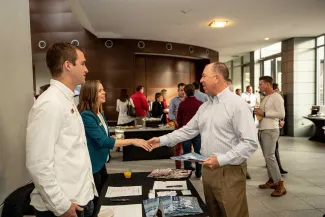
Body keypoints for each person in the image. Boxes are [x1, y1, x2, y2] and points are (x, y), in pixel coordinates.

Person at [148, 62, 258, 217]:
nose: (201, 80)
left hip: (229, 171)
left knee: (233, 212)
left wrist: (221, 160)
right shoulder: (205, 106)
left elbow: (250, 143)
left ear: (217, 77)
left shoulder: (237, 104)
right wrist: (161, 140)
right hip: (208, 169)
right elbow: (188, 130)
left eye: (204, 76)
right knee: (213, 212)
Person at [26, 43, 96, 217]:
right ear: (68, 65)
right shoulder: (50, 104)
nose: (86, 69)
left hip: (79, 199)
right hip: (64, 207)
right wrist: (61, 205)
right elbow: (38, 163)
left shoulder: (66, 100)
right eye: (82, 63)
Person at [78, 80, 150, 196]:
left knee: (103, 192)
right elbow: (103, 141)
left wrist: (110, 136)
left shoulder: (99, 113)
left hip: (102, 162)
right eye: (100, 90)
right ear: (90, 94)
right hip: (93, 165)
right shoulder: (86, 115)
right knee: (98, 199)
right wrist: (133, 141)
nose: (104, 92)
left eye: (103, 89)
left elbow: (103, 136)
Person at [254, 76, 287, 197]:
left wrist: (264, 113)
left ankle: (280, 184)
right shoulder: (265, 97)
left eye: (261, 84)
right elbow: (263, 113)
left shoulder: (276, 97)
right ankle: (272, 180)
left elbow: (281, 113)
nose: (259, 87)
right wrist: (257, 112)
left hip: (271, 130)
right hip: (263, 129)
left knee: (270, 156)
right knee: (267, 157)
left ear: (268, 84)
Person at [177, 84, 203, 178]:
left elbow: (179, 119)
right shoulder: (200, 104)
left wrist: (180, 129)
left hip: (186, 132)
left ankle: (187, 173)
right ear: (194, 91)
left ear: (185, 92)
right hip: (198, 132)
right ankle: (199, 173)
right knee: (198, 152)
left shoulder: (182, 104)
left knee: (187, 153)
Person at [168, 82, 186, 169]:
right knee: (178, 147)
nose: (183, 92)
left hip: (188, 126)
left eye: (184, 90)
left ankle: (187, 165)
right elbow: (170, 114)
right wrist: (176, 122)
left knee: (187, 147)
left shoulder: (188, 99)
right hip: (178, 126)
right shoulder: (174, 100)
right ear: (178, 91)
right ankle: (178, 166)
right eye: (181, 90)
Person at [272, 83, 288, 175]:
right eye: (277, 88)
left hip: (277, 124)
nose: (278, 90)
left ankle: (277, 166)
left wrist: (282, 120)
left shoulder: (277, 98)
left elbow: (281, 111)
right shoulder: (274, 98)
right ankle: (278, 167)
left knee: (275, 147)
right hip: (273, 126)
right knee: (275, 147)